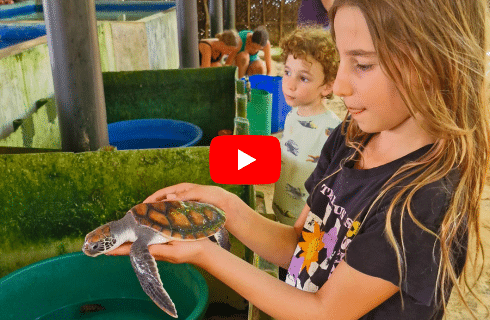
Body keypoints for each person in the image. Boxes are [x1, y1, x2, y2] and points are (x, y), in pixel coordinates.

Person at [108, 0, 489, 318]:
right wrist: (225, 205)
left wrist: (206, 254)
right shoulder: (350, 138)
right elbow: (299, 247)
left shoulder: (422, 200)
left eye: (364, 64)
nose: (339, 86)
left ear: (436, 64)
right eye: (342, 60)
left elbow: (325, 312)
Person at [272, 26, 341, 265]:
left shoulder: (333, 130)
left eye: (303, 78)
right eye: (287, 72)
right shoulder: (292, 114)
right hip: (282, 211)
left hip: (306, 226)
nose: (289, 84)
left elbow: (333, 186)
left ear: (327, 86)